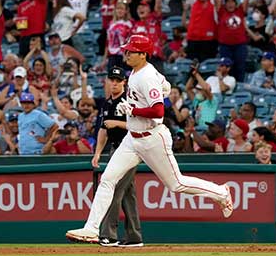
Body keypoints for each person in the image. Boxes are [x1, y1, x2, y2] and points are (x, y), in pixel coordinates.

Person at [65, 34, 233, 243]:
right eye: (126, 50)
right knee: (107, 179)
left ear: (143, 54)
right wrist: (158, 92)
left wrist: (133, 109)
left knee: (176, 184)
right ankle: (91, 229)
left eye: (131, 51)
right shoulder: (137, 72)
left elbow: (158, 111)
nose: (126, 53)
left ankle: (221, 193)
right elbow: (166, 86)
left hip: (152, 137)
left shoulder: (146, 76)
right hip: (132, 139)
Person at [89, 66, 143, 247]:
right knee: (128, 194)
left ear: (124, 82)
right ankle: (134, 236)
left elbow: (139, 126)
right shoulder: (106, 103)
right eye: (111, 79)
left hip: (131, 149)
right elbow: (103, 130)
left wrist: (118, 123)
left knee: (112, 188)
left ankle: (108, 235)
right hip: (115, 149)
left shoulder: (129, 101)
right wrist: (97, 153)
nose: (114, 83)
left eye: (118, 80)